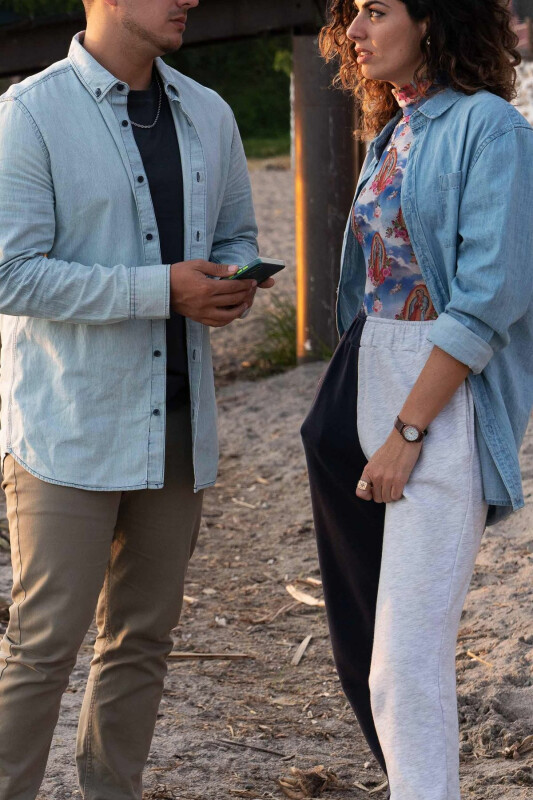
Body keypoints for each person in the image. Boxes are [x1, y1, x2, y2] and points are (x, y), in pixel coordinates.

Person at [0, 1, 274, 798]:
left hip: (179, 428)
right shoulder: (29, 114)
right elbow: (11, 274)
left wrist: (230, 281)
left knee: (143, 638)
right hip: (68, 429)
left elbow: (235, 235)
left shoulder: (210, 112)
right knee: (43, 646)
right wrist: (160, 290)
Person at [301, 2, 533, 799]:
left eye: (376, 10)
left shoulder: (490, 129)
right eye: (351, 13)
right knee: (365, 646)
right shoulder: (394, 130)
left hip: (437, 400)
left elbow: (488, 298)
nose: (354, 31)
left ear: (432, 20)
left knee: (406, 658)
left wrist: (407, 430)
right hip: (360, 381)